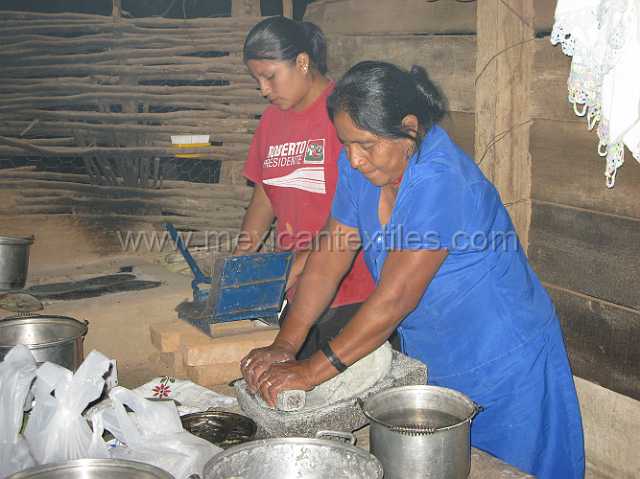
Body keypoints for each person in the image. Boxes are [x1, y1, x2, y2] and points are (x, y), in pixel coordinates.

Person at [240, 61, 586, 479]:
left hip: (503, 358)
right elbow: (329, 259)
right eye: (346, 143)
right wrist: (286, 344)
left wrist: (311, 371)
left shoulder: (442, 180)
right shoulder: (357, 168)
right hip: (436, 353)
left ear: (409, 128)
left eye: (365, 144)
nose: (353, 158)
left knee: (507, 468)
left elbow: (394, 298)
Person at [235, 17, 375, 359]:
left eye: (270, 76)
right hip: (295, 290)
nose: (264, 90)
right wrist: (242, 257)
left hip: (349, 291)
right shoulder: (271, 121)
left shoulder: (343, 116)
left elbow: (354, 218)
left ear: (302, 61)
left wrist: (292, 269)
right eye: (257, 80)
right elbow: (266, 191)